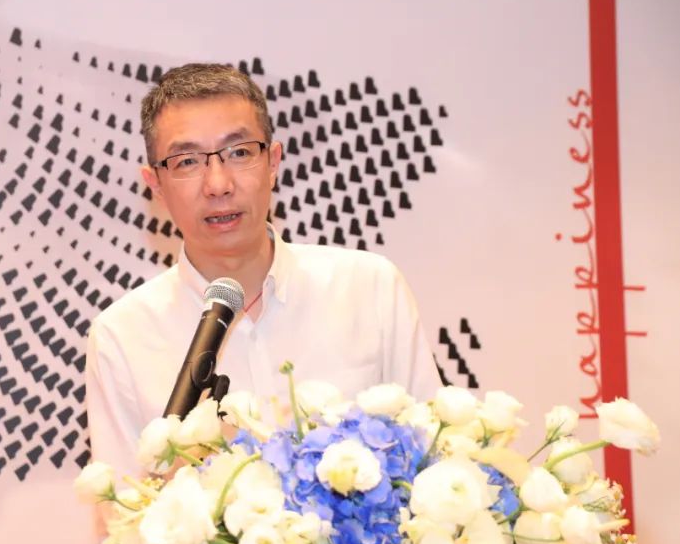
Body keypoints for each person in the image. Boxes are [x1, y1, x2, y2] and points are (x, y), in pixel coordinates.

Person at [85, 63, 441, 477]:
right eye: (187, 161)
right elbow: (125, 507)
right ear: (156, 185)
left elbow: (434, 458)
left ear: (272, 162)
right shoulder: (122, 336)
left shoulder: (370, 288)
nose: (218, 184)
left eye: (239, 153)